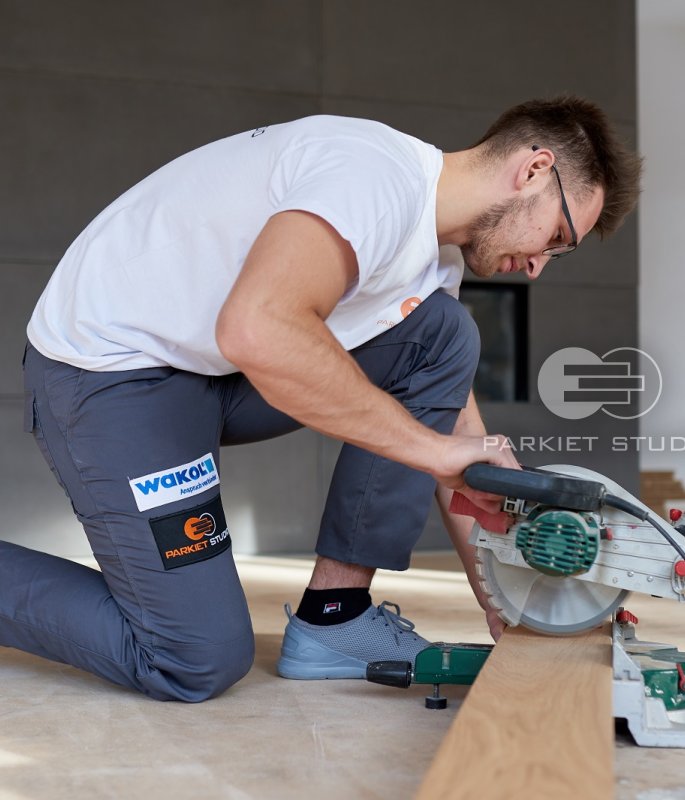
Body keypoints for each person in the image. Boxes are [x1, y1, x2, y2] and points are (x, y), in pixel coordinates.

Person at [7, 96, 640, 701]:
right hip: (113, 376)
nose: (539, 266)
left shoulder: (433, 265)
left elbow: (456, 443)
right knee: (195, 659)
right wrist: (429, 450)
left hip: (209, 376)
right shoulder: (374, 176)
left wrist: (509, 603)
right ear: (533, 169)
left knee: (445, 339)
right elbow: (257, 328)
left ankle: (334, 616)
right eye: (557, 237)